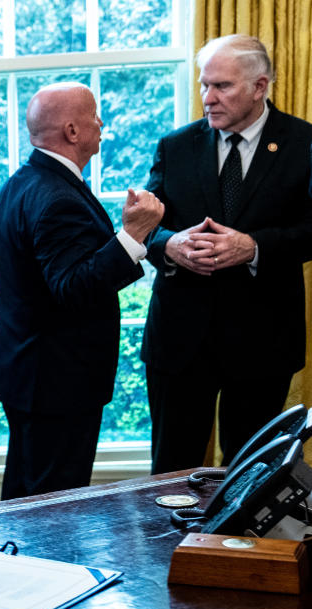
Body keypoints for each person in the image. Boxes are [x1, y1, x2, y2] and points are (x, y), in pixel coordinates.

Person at [143, 35, 312, 473]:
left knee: (250, 475)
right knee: (169, 473)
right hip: (179, 341)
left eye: (222, 87)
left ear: (260, 86)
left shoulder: (302, 143)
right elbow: (146, 226)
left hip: (263, 340)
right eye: (204, 86)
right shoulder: (174, 146)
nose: (208, 99)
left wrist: (255, 247)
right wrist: (170, 245)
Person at [0, 82, 164, 500]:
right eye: (94, 115)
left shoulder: (23, 182)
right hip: (56, 383)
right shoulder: (56, 197)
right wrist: (133, 235)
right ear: (71, 131)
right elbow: (72, 289)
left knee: (27, 498)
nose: (101, 123)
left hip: (32, 375)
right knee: (52, 506)